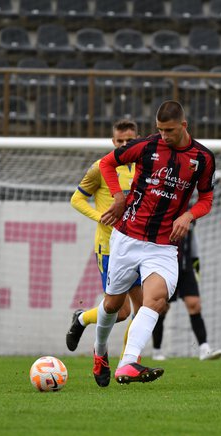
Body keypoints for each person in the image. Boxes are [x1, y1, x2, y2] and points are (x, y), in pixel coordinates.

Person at [94, 100, 216, 386]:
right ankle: (100, 351)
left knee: (157, 300)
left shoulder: (203, 158)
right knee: (113, 306)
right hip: (127, 238)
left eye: (169, 130)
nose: (164, 136)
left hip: (163, 245)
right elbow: (107, 163)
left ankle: (128, 363)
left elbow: (207, 198)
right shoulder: (147, 146)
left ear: (184, 126)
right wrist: (119, 196)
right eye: (160, 130)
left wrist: (189, 214)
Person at [66, 120, 143, 361]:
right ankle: (81, 319)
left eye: (129, 141)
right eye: (119, 141)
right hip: (110, 246)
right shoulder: (101, 167)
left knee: (143, 309)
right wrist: (101, 216)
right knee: (120, 312)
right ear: (113, 142)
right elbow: (77, 199)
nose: (124, 145)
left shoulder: (145, 167)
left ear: (137, 140)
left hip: (139, 245)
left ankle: (129, 360)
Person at [152, 224, 221, 361]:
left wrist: (196, 273)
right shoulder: (165, 216)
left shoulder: (189, 220)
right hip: (167, 268)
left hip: (186, 270)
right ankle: (157, 350)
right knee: (162, 307)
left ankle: (204, 348)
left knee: (194, 304)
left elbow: (194, 248)